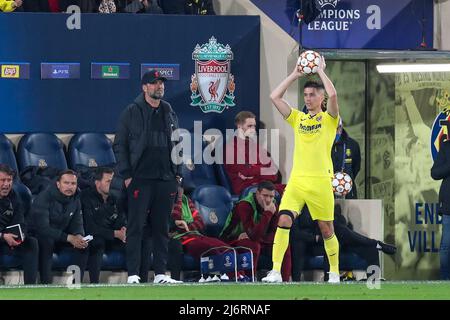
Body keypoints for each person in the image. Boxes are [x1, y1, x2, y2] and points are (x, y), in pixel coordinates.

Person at [262, 54, 342, 283]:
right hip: (297, 181)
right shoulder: (298, 119)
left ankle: (334, 272)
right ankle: (276, 271)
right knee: (284, 220)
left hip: (320, 181)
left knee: (327, 229)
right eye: (305, 94)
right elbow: (274, 96)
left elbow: (334, 94)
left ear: (321, 97)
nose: (307, 98)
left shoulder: (329, 119)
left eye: (312, 94)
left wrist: (320, 71)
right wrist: (296, 74)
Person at [114, 69, 182, 284]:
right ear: (144, 87)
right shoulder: (131, 111)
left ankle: (161, 273)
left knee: (162, 227)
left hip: (166, 179)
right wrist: (126, 176)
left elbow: (178, 144)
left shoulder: (169, 110)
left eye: (161, 83)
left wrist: (178, 175)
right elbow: (120, 145)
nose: (159, 86)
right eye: (154, 83)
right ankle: (133, 274)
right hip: (140, 179)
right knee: (135, 227)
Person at [290, 204, 396, 281]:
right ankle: (376, 243)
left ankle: (373, 284)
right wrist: (316, 238)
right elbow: (295, 234)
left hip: (335, 239)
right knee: (336, 233)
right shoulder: (296, 208)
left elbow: (340, 222)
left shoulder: (322, 203)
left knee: (370, 250)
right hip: (313, 244)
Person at [221, 181, 291, 281]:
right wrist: (267, 214)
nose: (268, 200)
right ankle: (251, 280)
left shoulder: (273, 205)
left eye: (271, 196)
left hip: (257, 238)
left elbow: (274, 232)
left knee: (282, 244)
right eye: (265, 195)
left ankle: (284, 281)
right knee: (253, 244)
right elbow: (254, 236)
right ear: (258, 193)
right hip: (232, 240)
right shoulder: (245, 205)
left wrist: (257, 234)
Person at [29, 169, 88, 284]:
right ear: (58, 184)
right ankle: (46, 283)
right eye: (66, 183)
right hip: (40, 236)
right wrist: (70, 238)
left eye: (73, 184)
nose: (70, 187)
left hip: (61, 237)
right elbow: (43, 229)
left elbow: (77, 223)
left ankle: (76, 284)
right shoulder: (44, 197)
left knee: (83, 245)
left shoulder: (76, 199)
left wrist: (79, 236)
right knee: (47, 241)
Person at [168, 186, 232, 281]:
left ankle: (238, 276)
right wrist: (179, 199)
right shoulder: (166, 199)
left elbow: (200, 222)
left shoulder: (187, 200)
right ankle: (216, 277)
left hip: (196, 234)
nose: (179, 187)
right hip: (182, 239)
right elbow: (174, 218)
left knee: (227, 249)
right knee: (212, 250)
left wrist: (186, 227)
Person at [80, 167, 127, 283]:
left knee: (134, 242)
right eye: (108, 181)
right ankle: (94, 283)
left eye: (113, 181)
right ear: (97, 183)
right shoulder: (86, 197)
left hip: (112, 237)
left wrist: (123, 229)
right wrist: (115, 233)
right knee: (97, 242)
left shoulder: (115, 198)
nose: (112, 185)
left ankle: (135, 279)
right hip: (93, 236)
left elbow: (121, 220)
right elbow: (90, 227)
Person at [224, 111, 283, 196]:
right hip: (247, 190)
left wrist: (253, 169)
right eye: (249, 126)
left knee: (291, 190)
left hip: (264, 186)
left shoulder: (256, 146)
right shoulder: (231, 148)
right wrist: (260, 169)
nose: (253, 129)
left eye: (254, 126)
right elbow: (246, 172)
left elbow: (274, 173)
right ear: (239, 126)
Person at [0, 164, 38, 284]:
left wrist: (20, 235)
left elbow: (20, 221)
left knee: (32, 243)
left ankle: (30, 287)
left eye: (9, 180)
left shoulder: (13, 196)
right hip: (1, 237)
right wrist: (3, 236)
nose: (6, 184)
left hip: (8, 238)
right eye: (2, 180)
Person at [431, 138, 450, 280]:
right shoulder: (446, 146)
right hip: (448, 205)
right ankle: (445, 280)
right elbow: (435, 173)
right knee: (446, 245)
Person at [331, 126, 361, 199]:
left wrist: (344, 179)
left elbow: (356, 167)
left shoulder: (352, 144)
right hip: (325, 193)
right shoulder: (319, 144)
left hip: (348, 193)